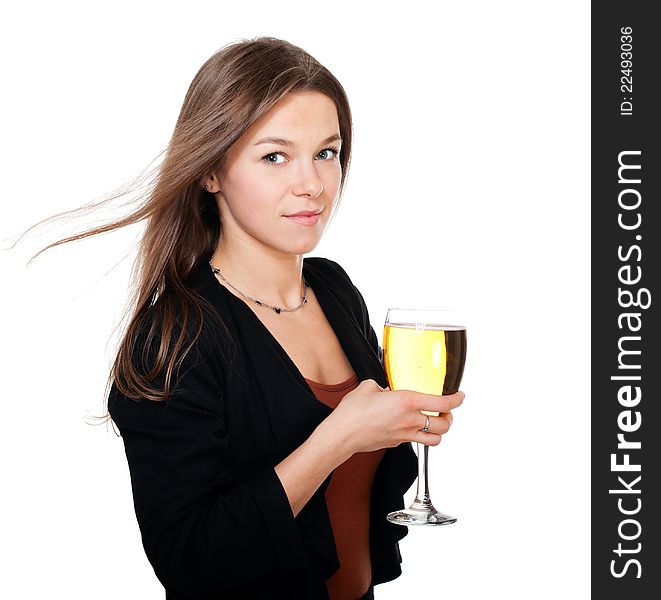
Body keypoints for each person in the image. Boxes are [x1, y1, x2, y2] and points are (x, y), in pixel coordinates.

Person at [34, 36, 464, 599]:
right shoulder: (174, 337)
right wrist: (337, 438)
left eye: (327, 153)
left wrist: (404, 423)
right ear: (211, 172)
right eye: (274, 156)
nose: (311, 184)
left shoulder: (334, 290)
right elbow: (188, 557)